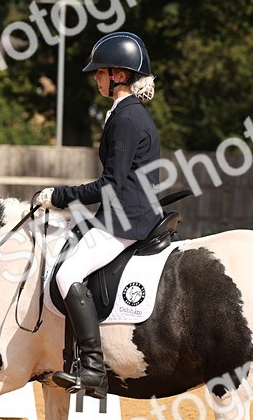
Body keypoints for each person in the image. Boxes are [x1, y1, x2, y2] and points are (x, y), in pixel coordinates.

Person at [33, 31, 160, 399]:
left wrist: (60, 195)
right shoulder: (128, 112)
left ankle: (91, 367)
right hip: (124, 211)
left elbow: (110, 185)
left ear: (119, 75)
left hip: (127, 218)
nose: (96, 78)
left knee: (68, 273)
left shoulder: (126, 118)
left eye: (101, 72)